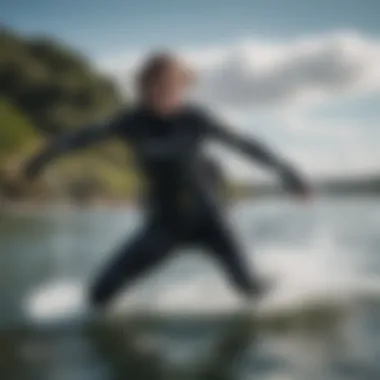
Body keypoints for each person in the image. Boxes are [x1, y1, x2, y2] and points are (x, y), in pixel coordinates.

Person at [24, 52, 311, 309]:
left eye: (170, 86)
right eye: (154, 86)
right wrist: (43, 156)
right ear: (143, 88)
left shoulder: (196, 119)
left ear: (182, 87)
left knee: (251, 290)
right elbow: (85, 136)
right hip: (164, 225)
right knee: (99, 296)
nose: (162, 93)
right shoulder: (132, 121)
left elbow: (245, 145)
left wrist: (288, 173)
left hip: (210, 221)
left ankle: (290, 287)